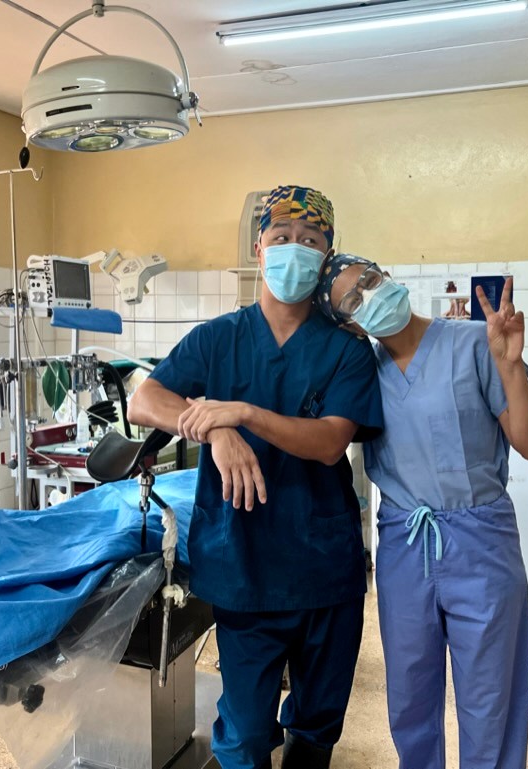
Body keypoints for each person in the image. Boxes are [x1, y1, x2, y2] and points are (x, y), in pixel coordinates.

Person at [127, 186, 384, 769]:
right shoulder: (219, 338)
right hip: (243, 564)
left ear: (327, 255)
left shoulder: (346, 349)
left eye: (311, 241)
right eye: (282, 238)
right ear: (257, 246)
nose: (295, 250)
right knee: (243, 736)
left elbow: (328, 443)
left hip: (323, 566)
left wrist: (242, 413)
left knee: (317, 729)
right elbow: (145, 400)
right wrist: (214, 430)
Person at [315, 254, 528, 769]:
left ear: (388, 278)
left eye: (371, 282)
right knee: (409, 695)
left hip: (482, 543)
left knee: (491, 698)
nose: (370, 298)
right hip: (404, 543)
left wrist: (510, 367)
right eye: (353, 300)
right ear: (347, 323)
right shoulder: (360, 371)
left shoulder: (472, 343)